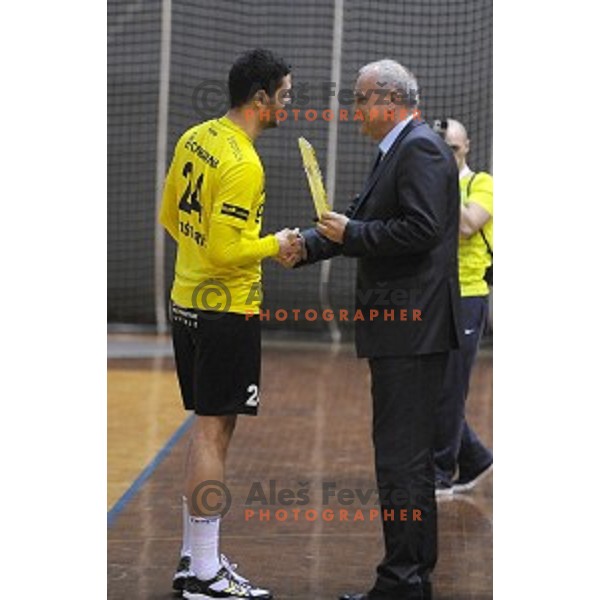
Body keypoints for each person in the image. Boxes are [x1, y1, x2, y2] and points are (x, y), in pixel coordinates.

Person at [289, 59, 461, 600]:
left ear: (389, 98)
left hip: (413, 333)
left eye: (361, 99)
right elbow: (359, 224)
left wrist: (355, 232)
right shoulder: (398, 150)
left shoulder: (419, 148)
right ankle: (410, 577)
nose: (355, 110)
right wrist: (307, 247)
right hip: (403, 335)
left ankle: (404, 581)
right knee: (403, 458)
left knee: (402, 460)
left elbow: (420, 228)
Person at [159, 48, 300, 600]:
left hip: (186, 302)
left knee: (206, 428)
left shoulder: (195, 137)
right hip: (225, 311)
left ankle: (196, 558)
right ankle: (206, 574)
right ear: (260, 97)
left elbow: (170, 216)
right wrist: (277, 244)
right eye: (284, 95)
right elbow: (225, 249)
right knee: (214, 433)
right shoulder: (244, 162)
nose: (288, 103)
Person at [432, 118, 493, 495]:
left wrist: (437, 184)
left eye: (452, 149)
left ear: (466, 146)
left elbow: (469, 224)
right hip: (435, 295)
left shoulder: (480, 183)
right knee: (436, 386)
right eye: (440, 150)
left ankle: (440, 473)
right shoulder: (433, 186)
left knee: (450, 388)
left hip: (468, 295)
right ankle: (475, 457)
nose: (447, 156)